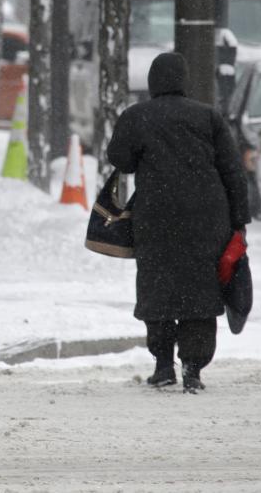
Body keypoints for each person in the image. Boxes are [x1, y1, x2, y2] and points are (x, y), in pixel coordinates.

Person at [106, 52, 250, 393]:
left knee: (158, 289)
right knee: (200, 292)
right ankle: (194, 370)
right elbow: (233, 171)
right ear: (183, 80)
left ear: (153, 82)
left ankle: (163, 366)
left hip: (156, 218)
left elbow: (120, 160)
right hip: (207, 218)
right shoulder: (208, 117)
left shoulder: (137, 116)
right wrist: (239, 220)